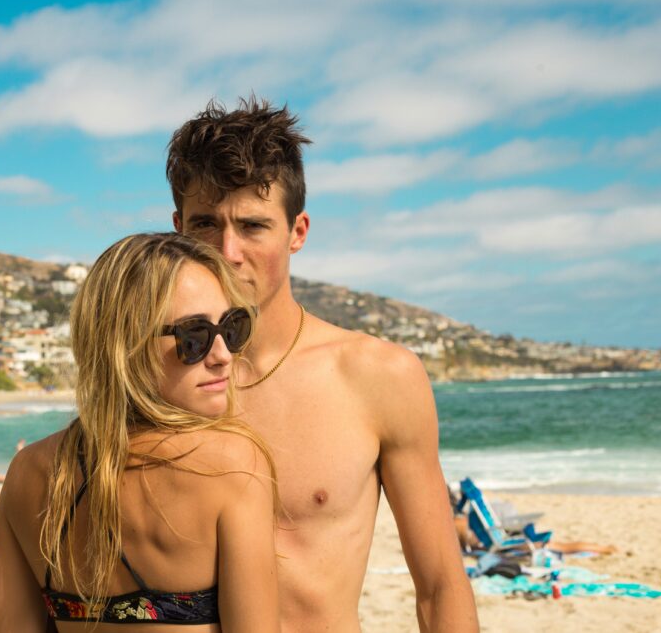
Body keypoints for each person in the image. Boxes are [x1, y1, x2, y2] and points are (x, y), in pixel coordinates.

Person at [166, 98, 478, 632]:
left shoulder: (377, 376)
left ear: (298, 232)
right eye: (205, 224)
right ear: (176, 229)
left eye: (253, 226)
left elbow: (441, 585)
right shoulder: (154, 378)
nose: (227, 250)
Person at [0, 233, 280, 632]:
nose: (223, 355)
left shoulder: (27, 472)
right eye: (193, 337)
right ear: (126, 344)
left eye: (232, 327)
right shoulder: (230, 466)